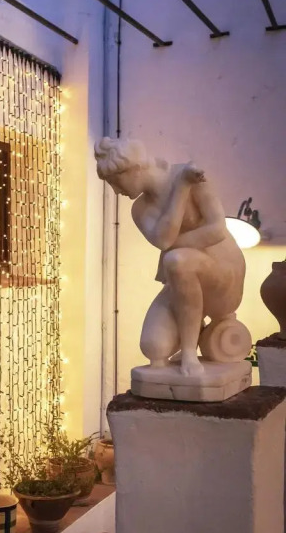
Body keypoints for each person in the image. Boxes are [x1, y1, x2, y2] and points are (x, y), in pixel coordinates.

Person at [94, 136, 246, 377]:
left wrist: (171, 249)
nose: (116, 190)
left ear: (135, 168)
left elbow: (217, 230)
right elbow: (164, 240)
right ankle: (195, 324)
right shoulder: (141, 208)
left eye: (115, 181)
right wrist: (181, 188)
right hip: (181, 279)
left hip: (223, 275)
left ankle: (189, 351)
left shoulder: (194, 175)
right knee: (154, 347)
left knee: (177, 261)